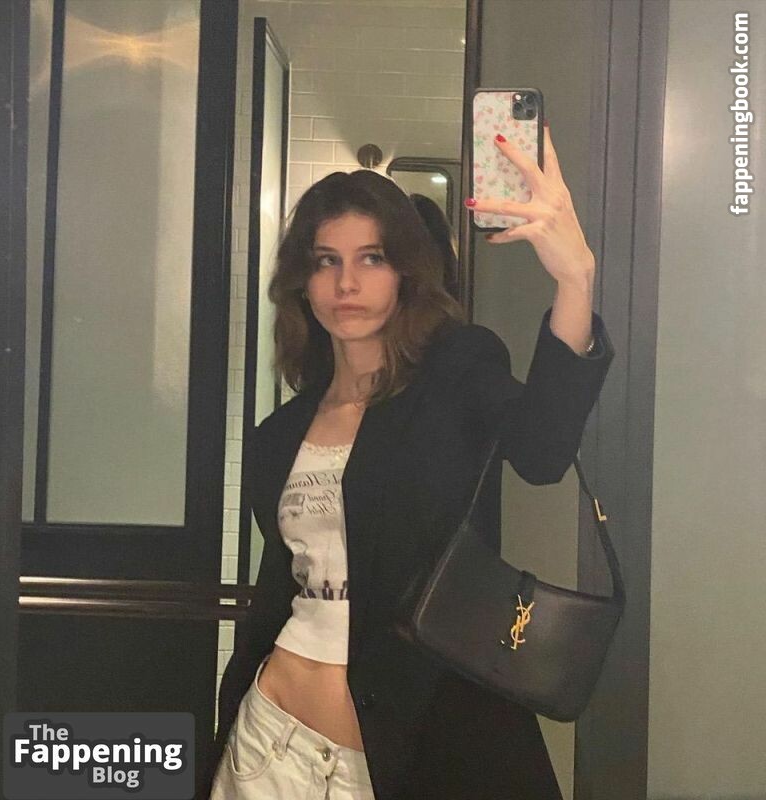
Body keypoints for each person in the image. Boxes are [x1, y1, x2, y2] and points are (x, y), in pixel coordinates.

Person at [207, 126, 615, 800]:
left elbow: (543, 452)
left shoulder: (456, 374)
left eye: (371, 258)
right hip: (268, 749)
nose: (346, 282)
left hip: (418, 745)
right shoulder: (279, 435)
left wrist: (576, 279)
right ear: (303, 281)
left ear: (405, 271)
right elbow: (286, 582)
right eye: (325, 261)